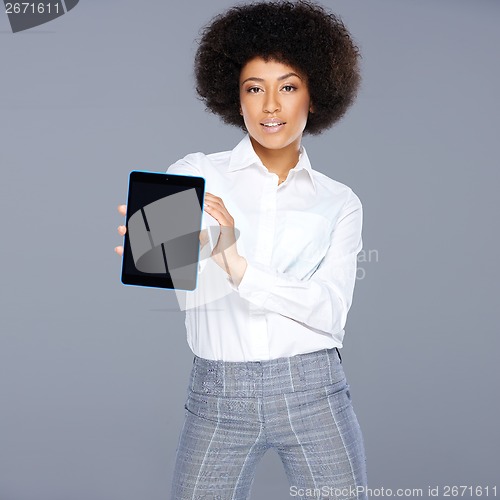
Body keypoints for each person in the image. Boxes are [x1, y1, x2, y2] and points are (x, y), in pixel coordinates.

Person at [115, 1, 368, 498]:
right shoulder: (196, 173)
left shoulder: (340, 202)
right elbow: (163, 268)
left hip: (315, 391)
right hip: (217, 396)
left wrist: (237, 266)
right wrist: (149, 248)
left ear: (314, 96)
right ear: (236, 97)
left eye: (288, 87)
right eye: (255, 89)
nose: (270, 105)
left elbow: (331, 309)